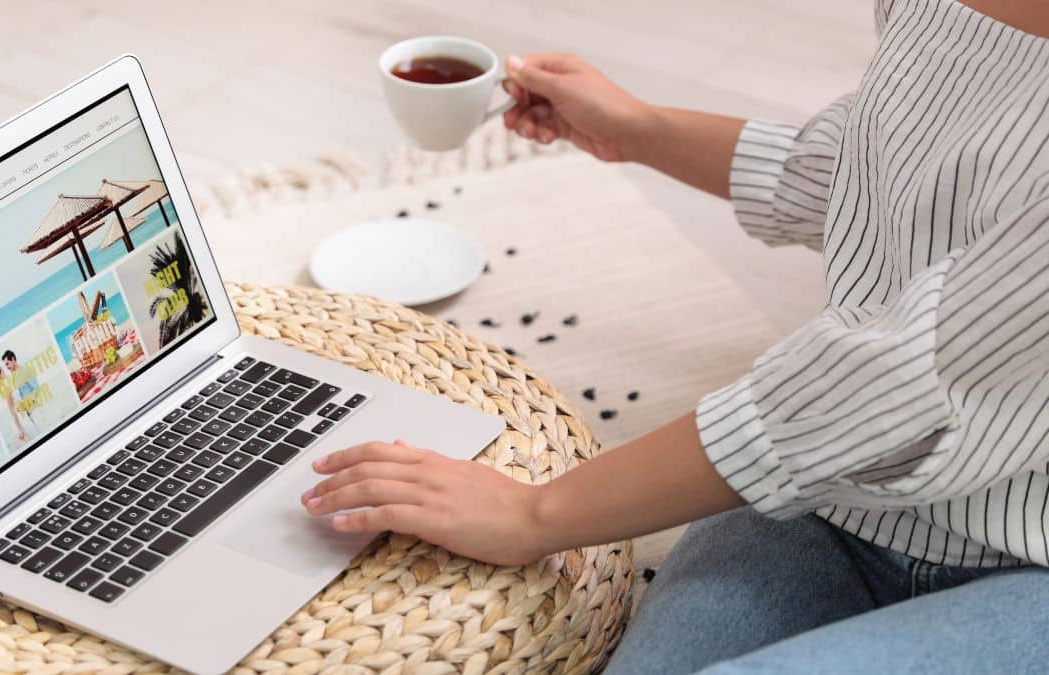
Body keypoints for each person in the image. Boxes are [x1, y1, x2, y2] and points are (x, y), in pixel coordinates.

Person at [302, 0, 1049, 672]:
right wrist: (639, 128)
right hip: (841, 500)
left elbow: (885, 388)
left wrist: (534, 512)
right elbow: (870, 177)